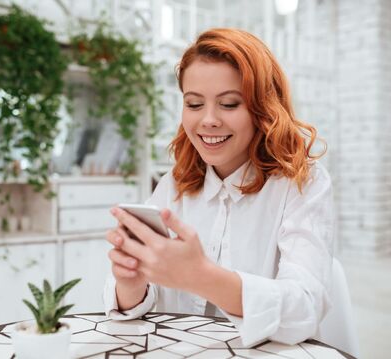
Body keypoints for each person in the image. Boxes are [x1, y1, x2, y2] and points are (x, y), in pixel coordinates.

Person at [103, 28, 334, 347]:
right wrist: (130, 283)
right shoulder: (176, 183)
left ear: (263, 109)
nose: (208, 120)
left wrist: (201, 277)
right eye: (194, 104)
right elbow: (137, 304)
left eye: (228, 104)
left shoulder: (301, 182)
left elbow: (305, 306)